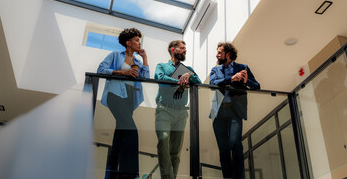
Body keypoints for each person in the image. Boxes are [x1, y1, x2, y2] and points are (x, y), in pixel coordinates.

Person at [97, 28, 149, 179]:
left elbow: (146, 77)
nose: (139, 43)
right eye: (137, 40)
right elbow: (101, 69)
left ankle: (111, 175)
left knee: (120, 135)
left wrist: (145, 58)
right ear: (128, 42)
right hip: (115, 95)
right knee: (132, 130)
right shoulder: (115, 55)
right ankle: (130, 175)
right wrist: (123, 73)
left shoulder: (138, 61)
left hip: (129, 98)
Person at [209, 42, 260, 179]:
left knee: (235, 143)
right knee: (223, 150)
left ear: (228, 54)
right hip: (218, 112)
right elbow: (212, 84)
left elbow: (257, 86)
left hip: (235, 112)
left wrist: (246, 81)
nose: (217, 54)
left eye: (220, 52)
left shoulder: (243, 68)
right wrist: (230, 79)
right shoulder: (215, 70)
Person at [154, 40, 201, 179]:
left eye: (185, 48)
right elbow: (160, 78)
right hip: (164, 110)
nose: (185, 50)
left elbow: (198, 82)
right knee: (163, 140)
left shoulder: (188, 69)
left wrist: (190, 75)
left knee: (176, 150)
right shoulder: (161, 66)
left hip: (181, 112)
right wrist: (179, 80)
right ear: (173, 50)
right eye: (182, 48)